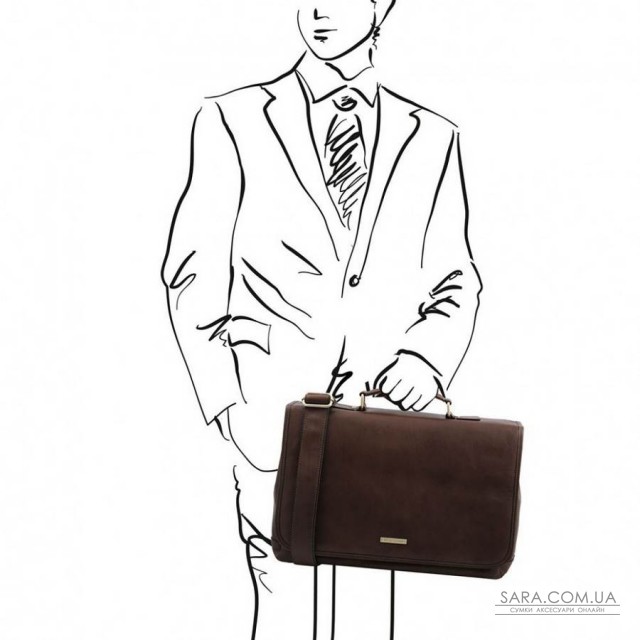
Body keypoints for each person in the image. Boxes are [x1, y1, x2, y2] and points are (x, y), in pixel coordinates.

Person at [160, 1, 482, 637]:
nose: (317, 9)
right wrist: (227, 404)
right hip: (269, 418)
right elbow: (192, 273)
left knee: (369, 609)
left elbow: (456, 277)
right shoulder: (231, 118)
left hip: (383, 423)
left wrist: (425, 359)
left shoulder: (433, 136)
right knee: (284, 601)